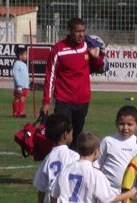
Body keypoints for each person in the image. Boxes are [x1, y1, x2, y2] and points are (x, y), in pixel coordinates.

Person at [40, 17, 104, 151]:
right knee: (62, 135)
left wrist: (96, 58)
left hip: (83, 100)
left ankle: (73, 167)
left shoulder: (88, 45)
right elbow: (50, 76)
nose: (81, 34)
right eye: (78, 31)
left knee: (76, 137)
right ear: (69, 31)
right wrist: (46, 101)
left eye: (83, 31)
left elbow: (99, 67)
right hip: (63, 99)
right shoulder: (58, 49)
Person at [12, 47, 29, 118]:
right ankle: (15, 113)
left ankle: (21, 113)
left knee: (23, 98)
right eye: (25, 54)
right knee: (18, 98)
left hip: (25, 86)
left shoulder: (24, 64)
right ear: (20, 56)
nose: (26, 56)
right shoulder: (17, 64)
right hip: (20, 86)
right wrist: (19, 84)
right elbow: (16, 74)